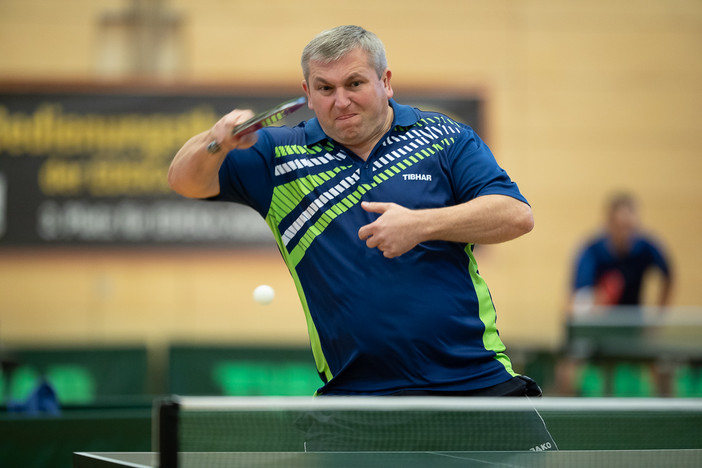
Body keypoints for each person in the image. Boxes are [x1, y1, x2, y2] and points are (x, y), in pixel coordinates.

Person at [168, 25, 538, 399]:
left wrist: (421, 224)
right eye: (325, 88)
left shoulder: (444, 137)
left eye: (354, 84)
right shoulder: (277, 156)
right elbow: (185, 181)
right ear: (308, 93)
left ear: (385, 82)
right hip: (357, 395)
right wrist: (215, 142)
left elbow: (515, 215)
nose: (341, 101)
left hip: (477, 380)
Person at [570, 192, 673, 313]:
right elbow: (574, 301)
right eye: (620, 227)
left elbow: (668, 275)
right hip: (600, 321)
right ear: (609, 224)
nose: (625, 234)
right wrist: (599, 299)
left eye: (629, 227)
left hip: (634, 319)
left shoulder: (646, 248)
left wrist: (660, 313)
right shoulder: (591, 251)